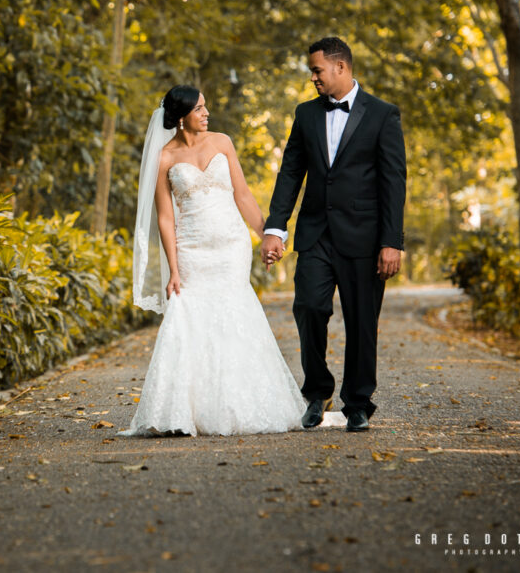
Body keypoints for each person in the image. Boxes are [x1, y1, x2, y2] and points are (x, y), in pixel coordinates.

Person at [119, 85, 308, 436]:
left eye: (206, 107)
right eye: (199, 109)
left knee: (234, 314)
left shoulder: (223, 142)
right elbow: (165, 218)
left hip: (231, 247)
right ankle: (180, 412)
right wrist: (174, 270)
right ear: (180, 117)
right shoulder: (165, 158)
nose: (207, 114)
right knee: (187, 319)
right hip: (191, 251)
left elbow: (243, 194)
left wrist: (268, 234)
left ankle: (240, 404)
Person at [260, 37, 407, 433]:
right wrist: (276, 227)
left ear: (340, 67)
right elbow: (291, 172)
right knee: (308, 306)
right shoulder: (305, 114)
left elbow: (394, 181)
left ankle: (357, 402)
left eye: (317, 70)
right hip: (315, 235)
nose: (313, 78)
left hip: (365, 237)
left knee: (362, 321)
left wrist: (392, 241)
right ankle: (317, 393)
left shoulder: (382, 114)